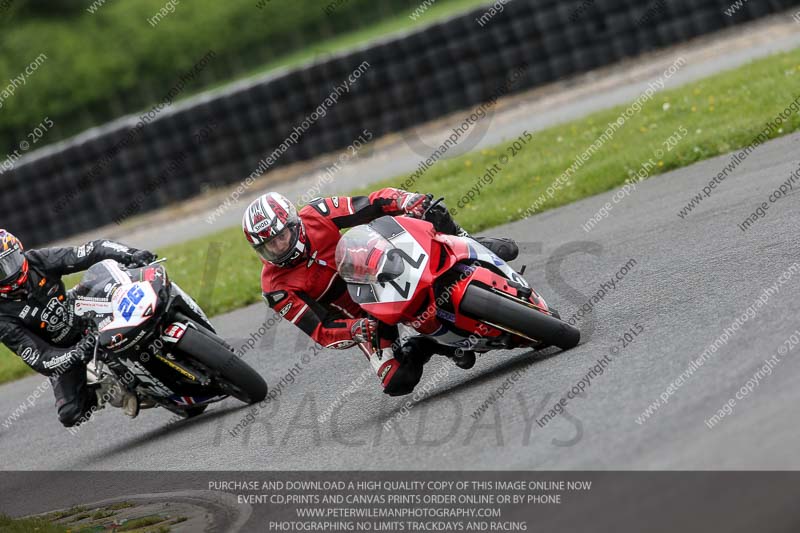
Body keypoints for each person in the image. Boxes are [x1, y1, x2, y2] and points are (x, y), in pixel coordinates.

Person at [242, 189, 518, 396]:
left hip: (382, 265)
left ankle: (469, 244)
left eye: (281, 237)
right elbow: (321, 330)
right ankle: (429, 345)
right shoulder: (275, 288)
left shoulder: (317, 214)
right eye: (269, 246)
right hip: (367, 316)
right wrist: (355, 329)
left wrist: (405, 200)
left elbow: (371, 204)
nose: (279, 247)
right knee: (397, 381)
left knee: (431, 210)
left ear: (294, 224)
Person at [0, 230, 157, 427]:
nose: (9, 272)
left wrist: (131, 254)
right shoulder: (2, 317)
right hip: (62, 351)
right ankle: (103, 387)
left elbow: (91, 250)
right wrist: (76, 352)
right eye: (1, 270)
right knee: (71, 414)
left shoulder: (38, 260)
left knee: (130, 295)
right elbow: (39, 358)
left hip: (83, 314)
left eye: (10, 261)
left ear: (19, 251)